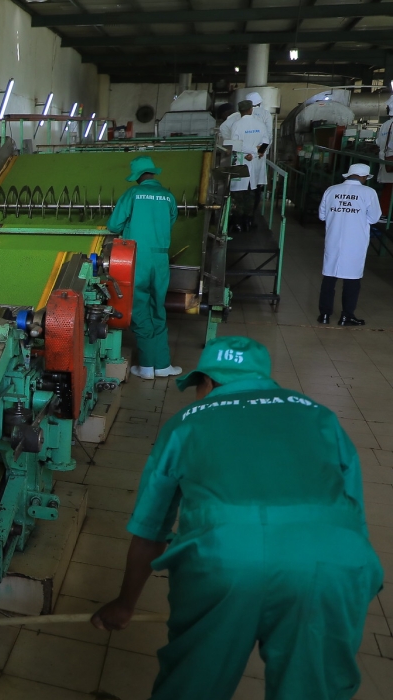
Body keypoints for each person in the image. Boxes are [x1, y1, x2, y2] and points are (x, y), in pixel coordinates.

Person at [91, 335, 382, 700]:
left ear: (208, 382)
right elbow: (353, 508)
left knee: (194, 685)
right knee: (312, 689)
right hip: (334, 563)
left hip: (226, 559)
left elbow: (151, 533)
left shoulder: (185, 423)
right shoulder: (319, 414)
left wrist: (124, 605)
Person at [107, 156, 182, 381]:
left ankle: (147, 365)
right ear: (152, 174)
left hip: (137, 257)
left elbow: (113, 225)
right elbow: (170, 222)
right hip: (160, 259)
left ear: (138, 177)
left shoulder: (132, 194)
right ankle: (163, 364)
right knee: (157, 307)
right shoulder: (168, 197)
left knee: (139, 307)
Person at [318, 164, 382, 326]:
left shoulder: (331, 190)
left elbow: (322, 215)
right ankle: (346, 316)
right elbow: (374, 218)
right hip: (355, 241)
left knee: (329, 277)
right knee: (352, 279)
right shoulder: (369, 193)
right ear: (364, 177)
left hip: (333, 238)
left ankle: (324, 315)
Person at [227, 100, 270, 233]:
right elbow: (265, 143)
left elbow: (234, 144)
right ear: (251, 109)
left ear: (240, 111)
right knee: (251, 193)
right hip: (255, 163)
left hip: (241, 161)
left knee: (238, 195)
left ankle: (237, 223)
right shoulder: (260, 124)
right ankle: (248, 221)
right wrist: (255, 153)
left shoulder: (237, 125)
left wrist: (248, 152)